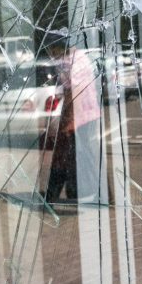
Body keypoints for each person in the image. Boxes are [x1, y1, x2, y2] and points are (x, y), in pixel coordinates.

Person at [43, 36, 104, 205]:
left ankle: (101, 192)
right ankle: (67, 191)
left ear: (59, 47)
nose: (51, 55)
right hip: (81, 114)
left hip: (81, 115)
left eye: (52, 51)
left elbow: (74, 93)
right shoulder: (72, 59)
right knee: (69, 154)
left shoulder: (73, 62)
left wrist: (69, 121)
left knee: (78, 155)